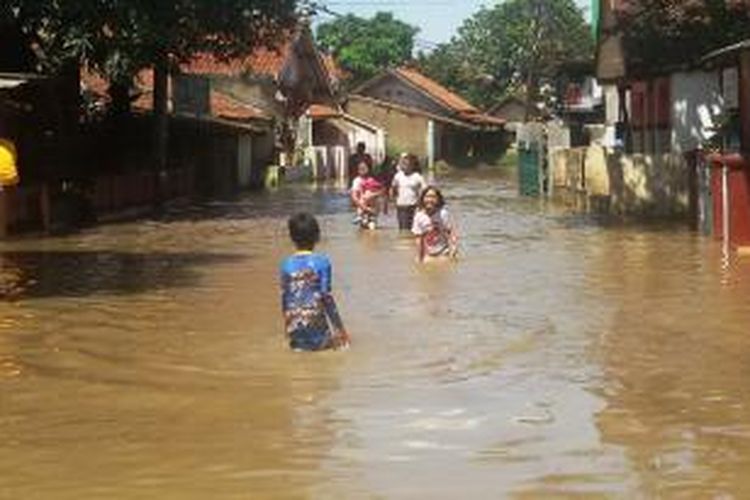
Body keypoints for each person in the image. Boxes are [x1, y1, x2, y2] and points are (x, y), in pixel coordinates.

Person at [280, 213, 350, 351]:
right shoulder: (322, 262)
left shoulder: (286, 265)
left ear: (292, 238)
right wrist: (340, 330)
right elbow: (326, 297)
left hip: (294, 326)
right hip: (316, 325)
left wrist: (287, 327)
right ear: (317, 236)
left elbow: (285, 297)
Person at [412, 186, 459, 262]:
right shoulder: (418, 216)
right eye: (427, 196)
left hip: (443, 252)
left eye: (433, 197)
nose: (430, 199)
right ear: (422, 198)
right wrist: (419, 257)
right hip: (427, 254)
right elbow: (418, 239)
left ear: (438, 200)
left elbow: (451, 232)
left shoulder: (443, 213)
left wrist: (454, 248)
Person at [390, 154, 426, 231]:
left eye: (407, 164)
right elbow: (392, 188)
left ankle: (411, 242)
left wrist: (421, 203)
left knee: (415, 228)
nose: (404, 166)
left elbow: (425, 190)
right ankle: (404, 242)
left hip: (413, 206)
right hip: (401, 206)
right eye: (403, 164)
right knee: (403, 228)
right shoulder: (398, 176)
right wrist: (393, 200)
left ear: (412, 165)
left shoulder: (417, 177)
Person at [350, 161, 386, 229]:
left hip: (374, 207)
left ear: (369, 168)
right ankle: (360, 217)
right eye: (360, 168)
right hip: (362, 206)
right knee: (364, 228)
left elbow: (383, 191)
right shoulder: (357, 180)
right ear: (358, 170)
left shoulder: (374, 179)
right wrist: (364, 208)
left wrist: (374, 194)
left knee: (372, 228)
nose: (363, 170)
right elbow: (354, 197)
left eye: (364, 168)